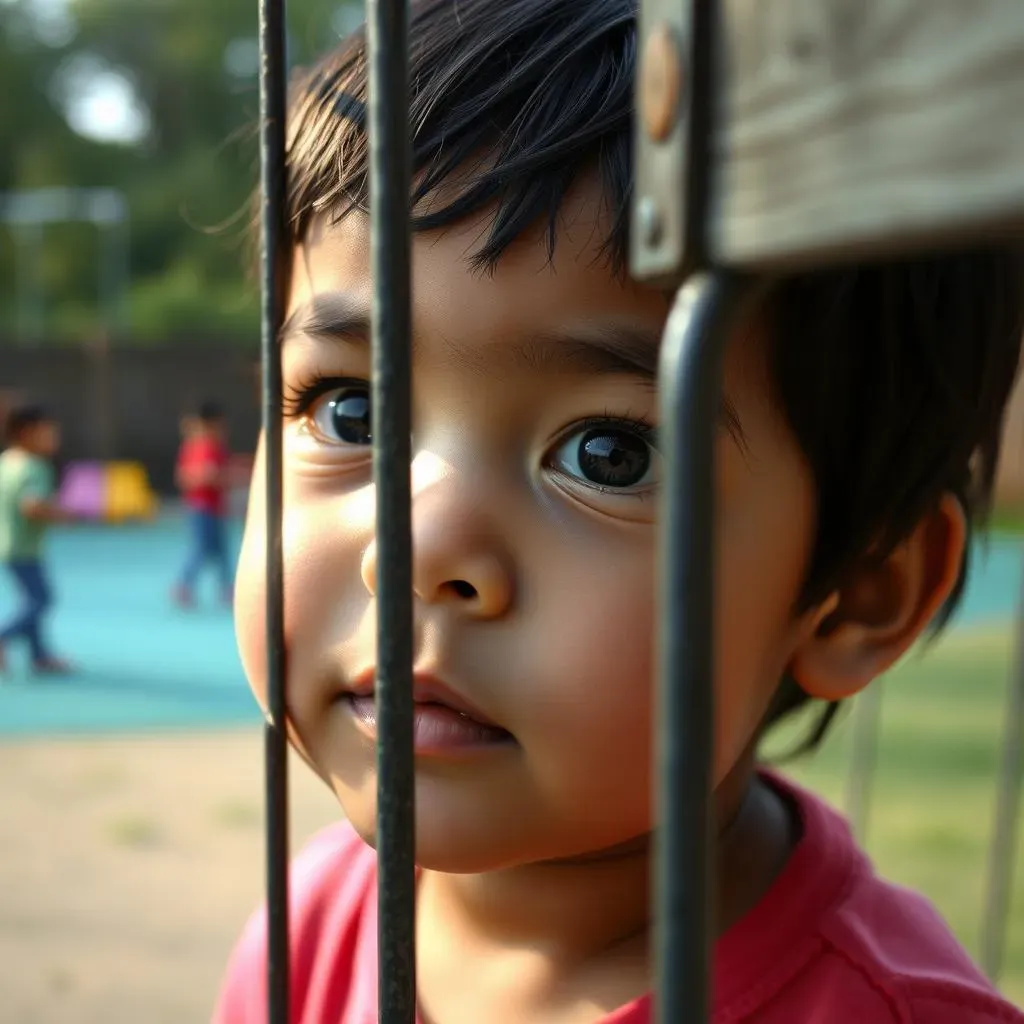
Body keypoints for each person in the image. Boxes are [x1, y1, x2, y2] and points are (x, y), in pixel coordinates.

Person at [214, 1, 1024, 1021]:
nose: (417, 544)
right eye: (350, 408)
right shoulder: (310, 927)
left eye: (609, 453)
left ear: (860, 593)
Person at [0, 404, 74, 675]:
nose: (54, 440)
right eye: (48, 434)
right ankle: (5, 635)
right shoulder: (35, 467)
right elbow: (31, 506)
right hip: (25, 548)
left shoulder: (7, 460)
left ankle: (39, 655)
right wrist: (61, 515)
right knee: (42, 600)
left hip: (8, 543)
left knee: (30, 599)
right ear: (27, 433)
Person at [172, 401, 233, 607]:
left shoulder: (216, 447)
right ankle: (184, 585)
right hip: (200, 509)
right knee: (201, 548)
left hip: (215, 509)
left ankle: (228, 588)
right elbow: (184, 477)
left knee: (222, 551)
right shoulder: (196, 447)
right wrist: (209, 477)